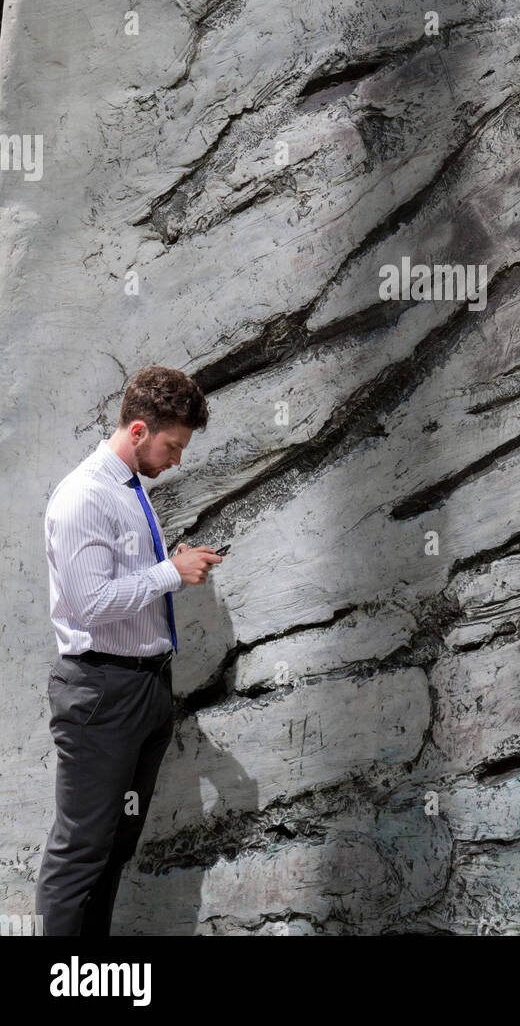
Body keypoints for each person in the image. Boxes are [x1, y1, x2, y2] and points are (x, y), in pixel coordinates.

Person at [35, 366, 225, 936]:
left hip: (144, 689)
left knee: (115, 848)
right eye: (173, 446)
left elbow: (121, 581)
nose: (178, 460)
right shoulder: (83, 496)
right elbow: (91, 604)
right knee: (80, 854)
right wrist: (170, 573)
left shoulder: (129, 488)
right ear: (138, 430)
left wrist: (168, 563)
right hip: (101, 694)